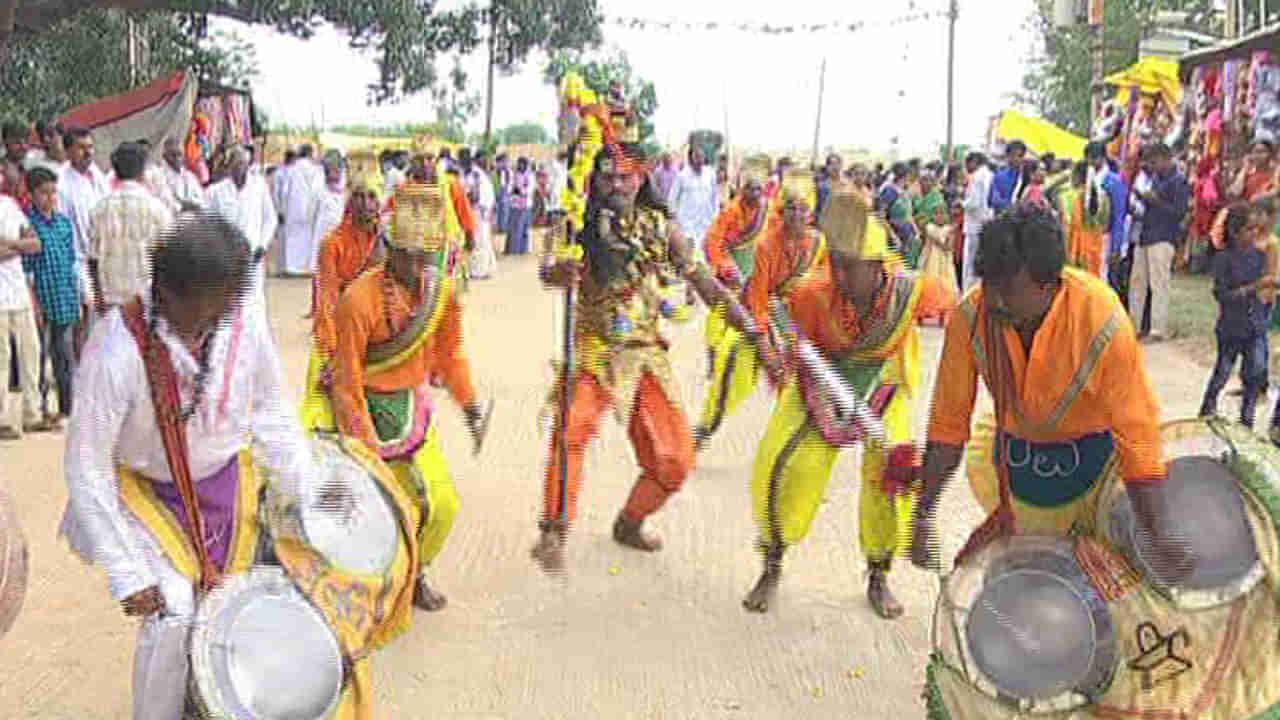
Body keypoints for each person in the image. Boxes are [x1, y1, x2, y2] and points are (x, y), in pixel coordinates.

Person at [60, 210, 345, 719]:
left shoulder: (241, 320)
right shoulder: (113, 350)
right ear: (166, 294)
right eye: (206, 310)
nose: (219, 320)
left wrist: (309, 493)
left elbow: (271, 410)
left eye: (226, 305)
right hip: (145, 492)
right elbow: (87, 465)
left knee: (246, 606)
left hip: (226, 485)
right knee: (173, 616)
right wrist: (127, 572)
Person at [909, 206, 1187, 580]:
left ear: (1049, 284)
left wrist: (1158, 535)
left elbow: (1137, 432)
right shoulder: (972, 314)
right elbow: (948, 424)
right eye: (989, 283)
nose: (995, 300)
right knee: (1018, 585)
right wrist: (923, 513)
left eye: (1008, 288)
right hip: (1016, 470)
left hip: (1094, 473)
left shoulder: (1101, 316)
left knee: (1097, 594)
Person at [741, 188, 954, 618]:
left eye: (850, 265)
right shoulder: (810, 292)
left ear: (879, 268)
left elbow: (963, 312)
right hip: (822, 378)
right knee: (783, 465)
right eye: (834, 260)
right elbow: (781, 333)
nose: (839, 271)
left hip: (882, 382)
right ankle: (772, 561)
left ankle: (879, 572)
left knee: (891, 472)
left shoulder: (915, 292)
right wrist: (784, 352)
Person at [311, 181, 488, 611]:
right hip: (359, 408)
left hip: (410, 407)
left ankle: (414, 574)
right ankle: (360, 585)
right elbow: (348, 383)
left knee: (442, 504)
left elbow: (449, 355)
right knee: (365, 507)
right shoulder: (359, 300)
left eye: (427, 256)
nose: (418, 266)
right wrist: (366, 450)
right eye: (408, 255)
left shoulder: (441, 292)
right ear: (391, 250)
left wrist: (469, 405)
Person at [531, 143, 697, 572]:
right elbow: (547, 269)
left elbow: (700, 275)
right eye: (608, 177)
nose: (617, 185)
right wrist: (559, 273)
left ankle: (631, 520)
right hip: (594, 350)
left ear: (642, 177)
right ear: (594, 179)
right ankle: (554, 527)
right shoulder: (574, 224)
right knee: (571, 430)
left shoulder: (661, 227)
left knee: (676, 460)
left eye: (626, 176)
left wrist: (746, 324)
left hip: (644, 354)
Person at [693, 160, 771, 451]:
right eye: (750, 188)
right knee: (722, 332)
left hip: (762, 287)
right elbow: (712, 243)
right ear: (741, 188)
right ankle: (707, 420)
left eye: (759, 189)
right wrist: (725, 267)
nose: (755, 193)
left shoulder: (770, 212)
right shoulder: (731, 212)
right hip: (732, 282)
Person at [1199, 203, 1269, 427]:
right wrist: (1253, 287)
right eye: (1249, 229)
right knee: (1223, 370)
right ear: (1235, 232)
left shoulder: (1258, 256)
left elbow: (1263, 290)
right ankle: (1208, 406)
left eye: (1255, 229)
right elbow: (1222, 295)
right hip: (1230, 326)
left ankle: (1246, 419)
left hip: (1254, 324)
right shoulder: (1223, 259)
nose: (1253, 234)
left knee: (1254, 373)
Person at [86, 142, 173, 318]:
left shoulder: (99, 210)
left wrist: (99, 297)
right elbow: (167, 261)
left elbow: (93, 260)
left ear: (116, 172)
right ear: (142, 173)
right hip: (145, 301)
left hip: (110, 300)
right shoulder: (158, 210)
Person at [23, 166, 78, 428]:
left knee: (64, 356)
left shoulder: (63, 223)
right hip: (41, 299)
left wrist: (78, 293)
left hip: (64, 296)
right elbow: (27, 269)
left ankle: (67, 409)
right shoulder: (27, 226)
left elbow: (70, 260)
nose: (50, 197)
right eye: (44, 193)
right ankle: (41, 409)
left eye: (53, 192)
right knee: (40, 357)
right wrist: (33, 301)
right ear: (31, 194)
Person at [204, 147, 278, 330]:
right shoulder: (215, 192)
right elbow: (207, 223)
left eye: (244, 165)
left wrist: (262, 244)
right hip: (226, 257)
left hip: (253, 255)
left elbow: (271, 218)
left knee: (253, 304)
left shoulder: (259, 187)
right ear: (229, 167)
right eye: (236, 165)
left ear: (249, 166)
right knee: (227, 304)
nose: (240, 169)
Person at [1128, 142, 1190, 343]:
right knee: (1137, 282)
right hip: (1145, 234)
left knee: (1159, 283)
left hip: (1163, 237)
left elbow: (1179, 213)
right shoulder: (1155, 178)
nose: (1151, 166)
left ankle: (1157, 329)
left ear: (1166, 158)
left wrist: (1156, 202)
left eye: (1154, 162)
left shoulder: (1179, 181)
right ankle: (1133, 325)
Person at [57, 128, 110, 353]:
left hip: (104, 257)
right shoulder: (61, 184)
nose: (88, 153)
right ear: (68, 151)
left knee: (105, 322)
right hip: (78, 261)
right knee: (84, 322)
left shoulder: (96, 175)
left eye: (90, 147)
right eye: (81, 148)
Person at [0, 178, 42, 439]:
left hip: (18, 292)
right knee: (1, 359)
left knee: (32, 354)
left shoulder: (9, 205)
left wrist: (10, 245)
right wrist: (19, 246)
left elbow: (35, 244)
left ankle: (32, 413)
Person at [1084, 141, 1130, 291]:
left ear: (1103, 158)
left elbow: (1119, 215)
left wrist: (1116, 246)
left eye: (1094, 158)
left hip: (1105, 236)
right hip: (1087, 235)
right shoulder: (1086, 177)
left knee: (1102, 278)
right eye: (1089, 158)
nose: (1091, 162)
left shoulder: (1114, 181)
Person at [668, 146, 720, 262]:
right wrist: (673, 218)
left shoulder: (710, 173)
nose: (699, 160)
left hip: (706, 220)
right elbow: (672, 198)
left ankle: (704, 272)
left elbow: (715, 196)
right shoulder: (682, 175)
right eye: (696, 157)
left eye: (701, 156)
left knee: (704, 250)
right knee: (689, 253)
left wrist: (715, 215)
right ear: (691, 159)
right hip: (686, 222)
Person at [1062, 161, 1109, 278]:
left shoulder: (1073, 197)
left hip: (1078, 249)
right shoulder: (1103, 197)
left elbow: (1068, 224)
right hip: (1096, 247)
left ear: (1078, 176)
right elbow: (1106, 224)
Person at [918, 203, 959, 323]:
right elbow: (934, 240)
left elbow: (949, 247)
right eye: (936, 214)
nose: (939, 216)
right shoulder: (929, 228)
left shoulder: (949, 230)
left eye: (942, 213)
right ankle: (922, 315)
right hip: (930, 261)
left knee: (944, 286)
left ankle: (942, 317)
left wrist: (950, 236)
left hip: (944, 263)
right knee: (928, 285)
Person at [461, 149, 497, 280]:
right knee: (480, 239)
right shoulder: (473, 173)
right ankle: (481, 269)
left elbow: (477, 194)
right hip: (477, 211)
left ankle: (482, 269)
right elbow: (471, 194)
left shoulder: (478, 174)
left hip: (481, 211)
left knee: (482, 240)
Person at [961, 151, 993, 290]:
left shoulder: (976, 177)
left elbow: (974, 203)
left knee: (970, 263)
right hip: (986, 222)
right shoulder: (990, 175)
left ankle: (968, 293)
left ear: (974, 162)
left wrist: (961, 204)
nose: (966, 167)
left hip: (974, 224)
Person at [159, 137, 203, 210]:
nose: (177, 158)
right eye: (173, 155)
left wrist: (192, 203)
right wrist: (182, 206)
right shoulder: (158, 175)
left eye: (179, 154)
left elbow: (201, 200)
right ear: (164, 155)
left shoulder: (189, 176)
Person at [987, 140, 1026, 214]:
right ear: (1007, 156)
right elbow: (994, 200)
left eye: (1020, 156)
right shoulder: (999, 176)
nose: (1017, 159)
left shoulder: (1026, 176)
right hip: (1004, 219)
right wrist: (1011, 206)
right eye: (1013, 155)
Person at [505, 157, 533, 255]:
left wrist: (520, 190)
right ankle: (514, 250)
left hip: (526, 205)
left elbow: (529, 189)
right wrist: (515, 191)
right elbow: (510, 188)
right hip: (515, 205)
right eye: (519, 164)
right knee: (515, 228)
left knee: (524, 228)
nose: (520, 166)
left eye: (522, 164)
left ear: (526, 165)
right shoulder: (514, 175)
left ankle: (523, 249)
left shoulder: (530, 175)